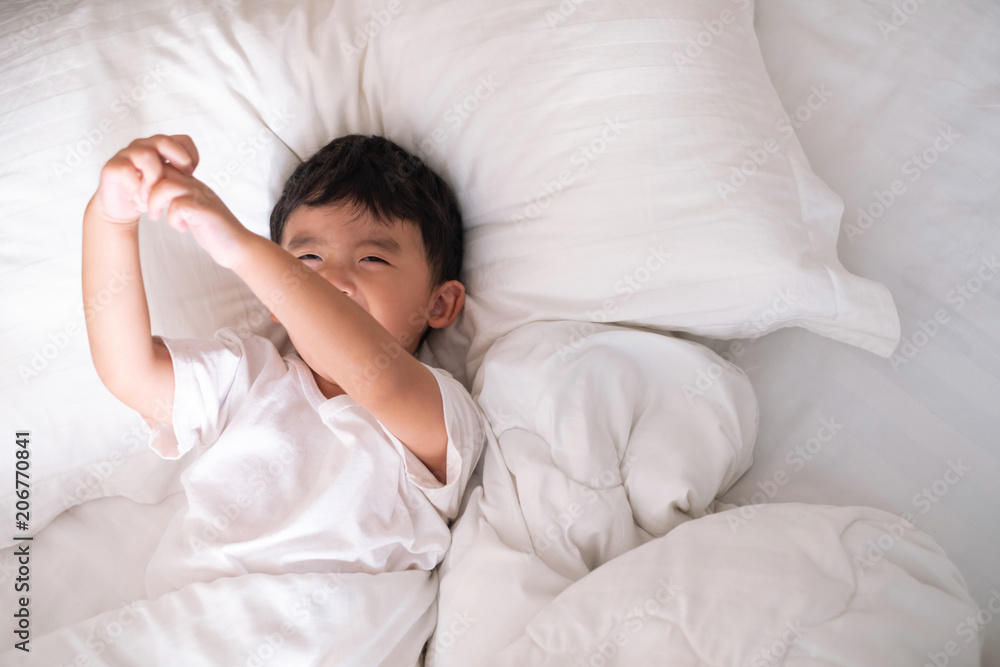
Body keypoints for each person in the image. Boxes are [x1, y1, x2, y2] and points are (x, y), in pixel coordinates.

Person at [81, 133, 485, 596]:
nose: (332, 281)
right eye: (308, 258)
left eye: (372, 258)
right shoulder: (246, 376)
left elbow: (379, 378)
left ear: (439, 303)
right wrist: (110, 219)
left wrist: (243, 250)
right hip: (191, 617)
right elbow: (130, 371)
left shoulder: (442, 407)